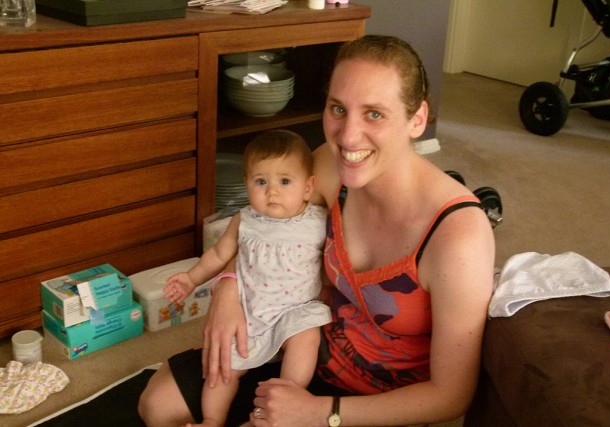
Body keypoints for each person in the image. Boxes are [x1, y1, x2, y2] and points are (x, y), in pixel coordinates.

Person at [139, 34, 495, 427]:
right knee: (159, 403)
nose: (348, 136)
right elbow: (268, 227)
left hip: (380, 403)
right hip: (307, 348)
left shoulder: (458, 235)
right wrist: (227, 288)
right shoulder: (329, 168)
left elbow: (451, 396)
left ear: (417, 119)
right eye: (338, 109)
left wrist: (320, 413)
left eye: (374, 114)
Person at [159, 129, 331, 427]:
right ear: (246, 184)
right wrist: (191, 278)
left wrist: (327, 291)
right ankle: (212, 419)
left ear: (308, 187)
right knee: (222, 365)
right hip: (250, 311)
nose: (272, 191)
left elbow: (331, 263)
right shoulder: (245, 220)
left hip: (295, 310)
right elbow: (218, 254)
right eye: (261, 181)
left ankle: (284, 400)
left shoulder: (317, 220)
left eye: (284, 181)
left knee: (307, 336)